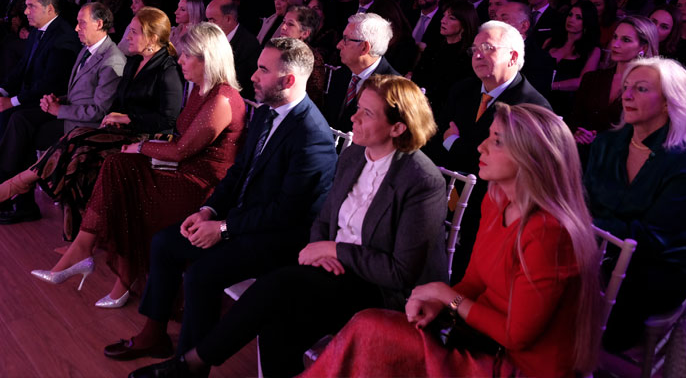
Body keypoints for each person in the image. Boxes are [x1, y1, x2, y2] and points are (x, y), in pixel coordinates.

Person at [129, 74, 449, 378]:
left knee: (277, 289)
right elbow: (325, 216)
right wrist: (320, 249)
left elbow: (400, 272)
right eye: (358, 108)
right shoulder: (355, 155)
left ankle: (192, 363)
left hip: (382, 292)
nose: (353, 117)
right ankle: (190, 364)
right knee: (278, 321)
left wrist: (332, 249)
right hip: (332, 271)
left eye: (367, 113)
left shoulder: (421, 180)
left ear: (397, 127)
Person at [298, 103, 602, 378]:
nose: (481, 146)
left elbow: (515, 336)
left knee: (371, 332)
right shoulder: (496, 201)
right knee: (369, 327)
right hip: (476, 339)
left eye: (497, 141)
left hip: (518, 365)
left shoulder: (549, 232)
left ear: (532, 159)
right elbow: (475, 281)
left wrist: (447, 297)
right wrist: (439, 304)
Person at [103, 37, 337, 364]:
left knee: (202, 274)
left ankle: (187, 367)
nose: (252, 76)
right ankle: (153, 335)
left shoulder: (311, 135)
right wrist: (208, 211)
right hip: (244, 221)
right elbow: (238, 172)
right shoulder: (268, 113)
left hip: (278, 238)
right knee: (165, 243)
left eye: (263, 70)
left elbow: (285, 213)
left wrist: (223, 228)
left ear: (288, 81)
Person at [31, 22, 246, 310]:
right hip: (181, 172)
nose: (180, 61)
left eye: (186, 56)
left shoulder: (221, 99)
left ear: (208, 59)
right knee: (117, 165)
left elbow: (182, 150)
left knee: (124, 179)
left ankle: (107, 268)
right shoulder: (200, 88)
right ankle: (90, 254)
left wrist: (141, 147)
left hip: (202, 188)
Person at [0, 7, 184, 238]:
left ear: (152, 38)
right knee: (66, 146)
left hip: (145, 136)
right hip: (120, 129)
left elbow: (168, 119)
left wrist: (126, 117)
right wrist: (62, 102)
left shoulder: (167, 69)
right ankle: (71, 233)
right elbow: (117, 103)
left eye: (134, 32)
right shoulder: (133, 62)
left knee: (75, 144)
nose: (127, 36)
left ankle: (16, 186)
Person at [584, 57, 686, 352]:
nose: (627, 95)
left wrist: (586, 226)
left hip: (655, 267)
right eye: (626, 87)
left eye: (641, 89)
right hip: (597, 251)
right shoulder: (605, 143)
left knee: (586, 311)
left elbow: (653, 237)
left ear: (669, 103)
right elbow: (583, 201)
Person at [439, 21, 551, 279]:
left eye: (487, 48)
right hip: (447, 189)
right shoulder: (463, 89)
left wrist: (454, 143)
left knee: (464, 273)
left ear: (512, 56)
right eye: (475, 49)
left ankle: (455, 298)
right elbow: (437, 136)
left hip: (491, 204)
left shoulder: (530, 107)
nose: (477, 55)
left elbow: (505, 165)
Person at [0, 3, 124, 224]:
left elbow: (100, 111)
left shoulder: (112, 60)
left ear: (99, 24)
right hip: (69, 113)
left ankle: (12, 193)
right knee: (19, 118)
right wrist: (59, 100)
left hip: (85, 127)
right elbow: (78, 92)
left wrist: (60, 109)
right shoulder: (87, 49)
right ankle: (14, 193)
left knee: (25, 132)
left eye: (81, 23)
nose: (76, 28)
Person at [0, 0, 81, 140]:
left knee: (8, 115)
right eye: (26, 6)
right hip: (30, 93)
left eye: (31, 6)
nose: (26, 12)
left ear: (49, 8)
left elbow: (50, 83)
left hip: (48, 100)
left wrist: (12, 101)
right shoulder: (37, 30)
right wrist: (3, 90)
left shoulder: (64, 38)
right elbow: (22, 65)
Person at [571, 16, 659, 151]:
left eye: (626, 40)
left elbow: (645, 135)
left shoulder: (649, 89)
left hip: (620, 157)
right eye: (615, 37)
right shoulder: (592, 79)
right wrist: (578, 133)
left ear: (643, 47)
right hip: (582, 153)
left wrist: (599, 139)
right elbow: (574, 118)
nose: (615, 44)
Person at [323, 13, 400, 133]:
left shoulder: (393, 89)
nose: (338, 45)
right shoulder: (341, 74)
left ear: (364, 47)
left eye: (346, 40)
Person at [412, 0, 478, 118]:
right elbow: (418, 74)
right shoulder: (434, 46)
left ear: (464, 25)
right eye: (444, 16)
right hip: (417, 103)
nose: (443, 20)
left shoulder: (468, 57)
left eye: (451, 18)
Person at [544, 0, 601, 116]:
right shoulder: (550, 41)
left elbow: (583, 81)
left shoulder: (592, 50)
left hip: (566, 102)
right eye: (570, 15)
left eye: (578, 17)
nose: (571, 20)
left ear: (587, 22)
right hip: (540, 95)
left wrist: (552, 85)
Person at [278, 5, 326, 107]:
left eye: (290, 24)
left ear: (305, 33)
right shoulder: (276, 49)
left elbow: (312, 98)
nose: (283, 27)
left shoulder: (313, 60)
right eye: (283, 22)